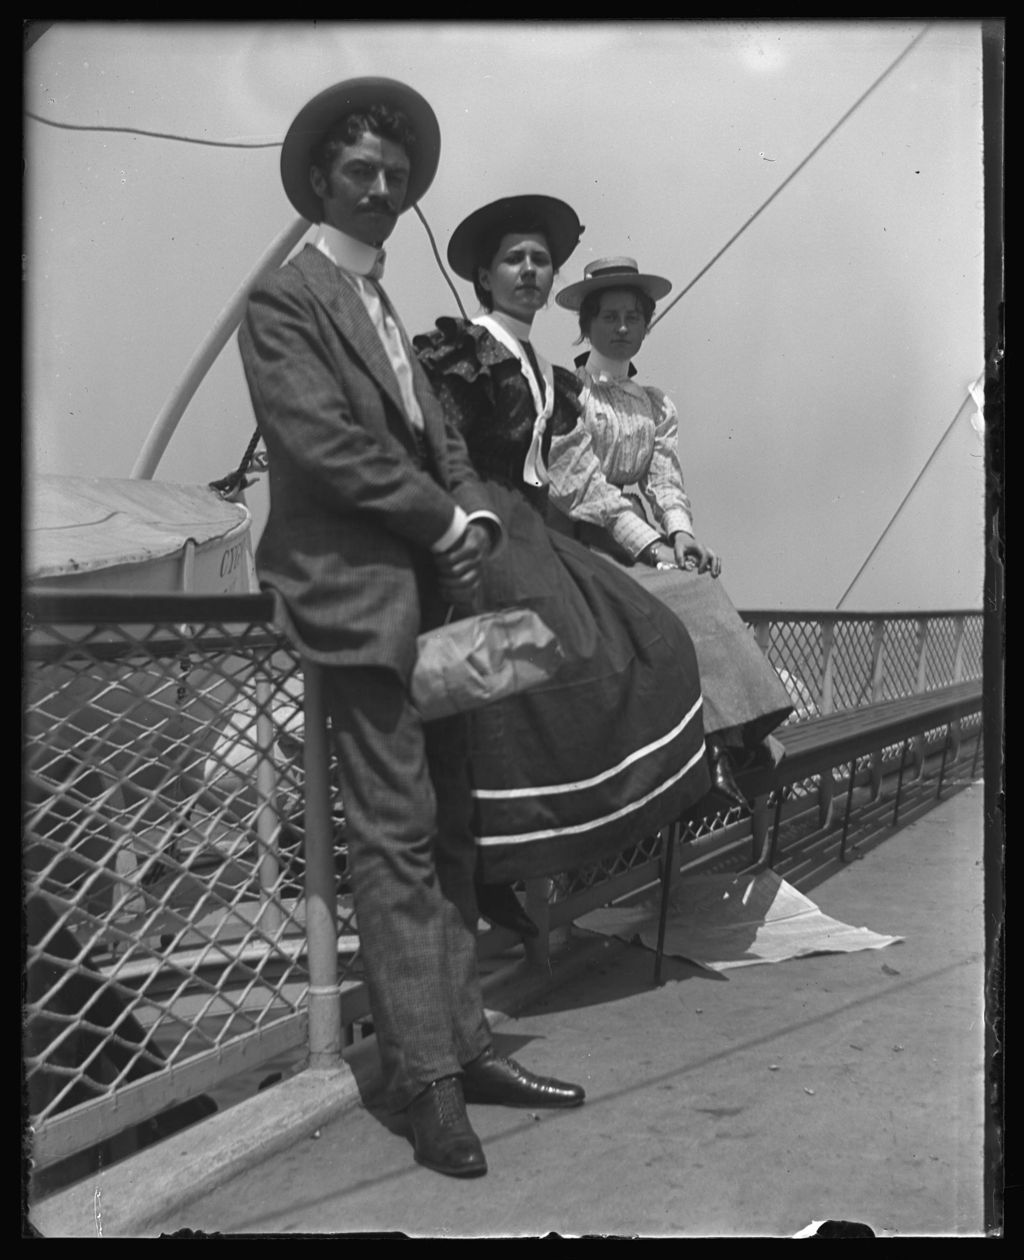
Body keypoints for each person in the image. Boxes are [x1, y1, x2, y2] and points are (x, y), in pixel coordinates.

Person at [237, 79, 585, 1181]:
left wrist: (469, 504)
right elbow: (320, 443)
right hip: (355, 603)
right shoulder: (286, 300)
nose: (383, 188)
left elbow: (432, 431)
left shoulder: (380, 297)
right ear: (319, 182)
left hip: (438, 600)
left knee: (449, 835)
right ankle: (426, 1083)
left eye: (395, 173)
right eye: (361, 174)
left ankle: (467, 1045)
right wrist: (444, 515)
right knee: (392, 843)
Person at [413, 198, 711, 922]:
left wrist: (658, 540)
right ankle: (490, 862)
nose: (528, 271)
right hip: (479, 532)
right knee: (523, 662)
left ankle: (552, 851)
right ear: (485, 275)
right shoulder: (466, 349)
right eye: (514, 259)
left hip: (532, 528)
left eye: (540, 260)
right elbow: (435, 452)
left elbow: (572, 474)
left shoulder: (548, 375)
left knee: (654, 634)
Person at [547, 257, 793, 800]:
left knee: (700, 583)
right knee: (670, 601)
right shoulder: (567, 391)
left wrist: (680, 535)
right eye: (608, 316)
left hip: (639, 538)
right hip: (579, 537)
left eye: (633, 316)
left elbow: (664, 480)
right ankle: (709, 751)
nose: (621, 327)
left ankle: (732, 743)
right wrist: (653, 546)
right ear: (586, 325)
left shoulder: (655, 404)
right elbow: (583, 487)